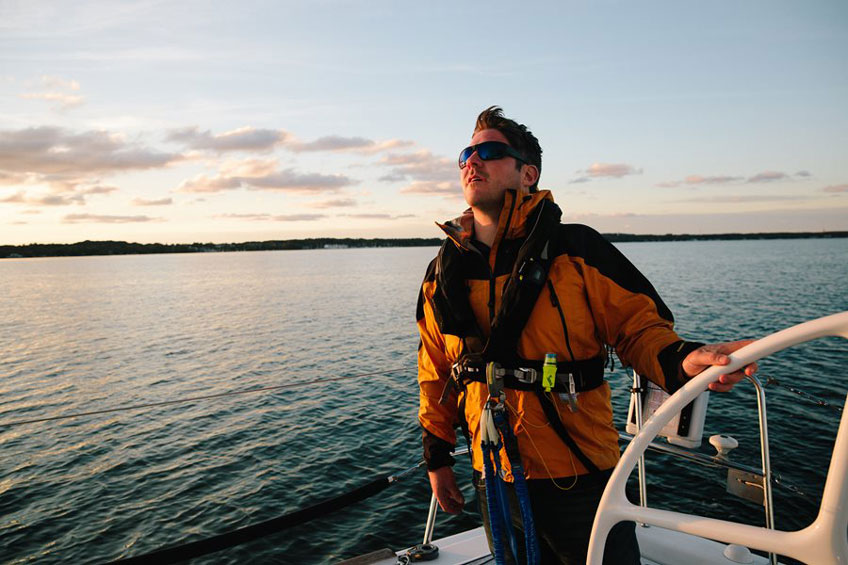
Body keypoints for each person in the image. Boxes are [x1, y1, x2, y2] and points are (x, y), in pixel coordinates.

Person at [415, 106, 757, 564]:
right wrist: (438, 460)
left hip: (579, 470)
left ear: (527, 173)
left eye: (490, 151)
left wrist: (682, 361)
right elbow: (435, 371)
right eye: (465, 154)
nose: (471, 162)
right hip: (492, 471)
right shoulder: (443, 272)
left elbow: (639, 328)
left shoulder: (576, 249)